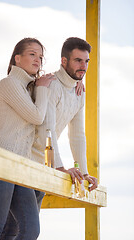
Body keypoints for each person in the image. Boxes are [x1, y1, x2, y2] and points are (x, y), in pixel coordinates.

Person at [0, 37, 56, 240]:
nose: (38, 59)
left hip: (21, 168)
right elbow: (37, 116)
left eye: (40, 56)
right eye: (32, 54)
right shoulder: (8, 84)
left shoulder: (31, 89)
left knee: (29, 230)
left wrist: (77, 83)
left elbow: (47, 116)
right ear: (17, 58)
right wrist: (42, 88)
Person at [32, 37, 98, 190]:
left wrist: (84, 172)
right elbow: (46, 129)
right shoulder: (51, 85)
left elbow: (77, 135)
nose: (83, 67)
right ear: (64, 61)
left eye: (86, 61)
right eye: (78, 61)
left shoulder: (79, 92)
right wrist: (60, 168)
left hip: (44, 164)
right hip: (26, 160)